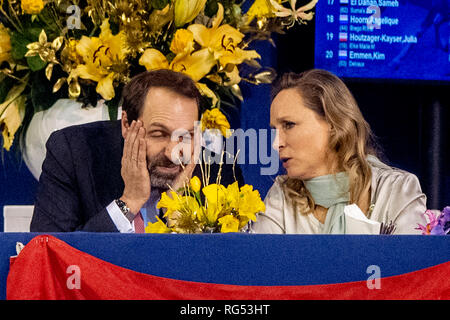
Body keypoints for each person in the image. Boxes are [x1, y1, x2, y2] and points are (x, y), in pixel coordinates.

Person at [30, 69, 244, 232]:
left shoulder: (218, 172)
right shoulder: (73, 152)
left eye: (185, 136)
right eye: (159, 134)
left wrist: (180, 212)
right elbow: (49, 257)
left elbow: (221, 274)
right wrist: (129, 202)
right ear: (126, 124)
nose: (172, 153)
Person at [251, 69, 427, 234]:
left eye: (289, 125)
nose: (276, 144)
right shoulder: (281, 195)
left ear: (334, 124)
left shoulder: (396, 189)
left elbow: (413, 264)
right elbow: (259, 263)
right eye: (275, 130)